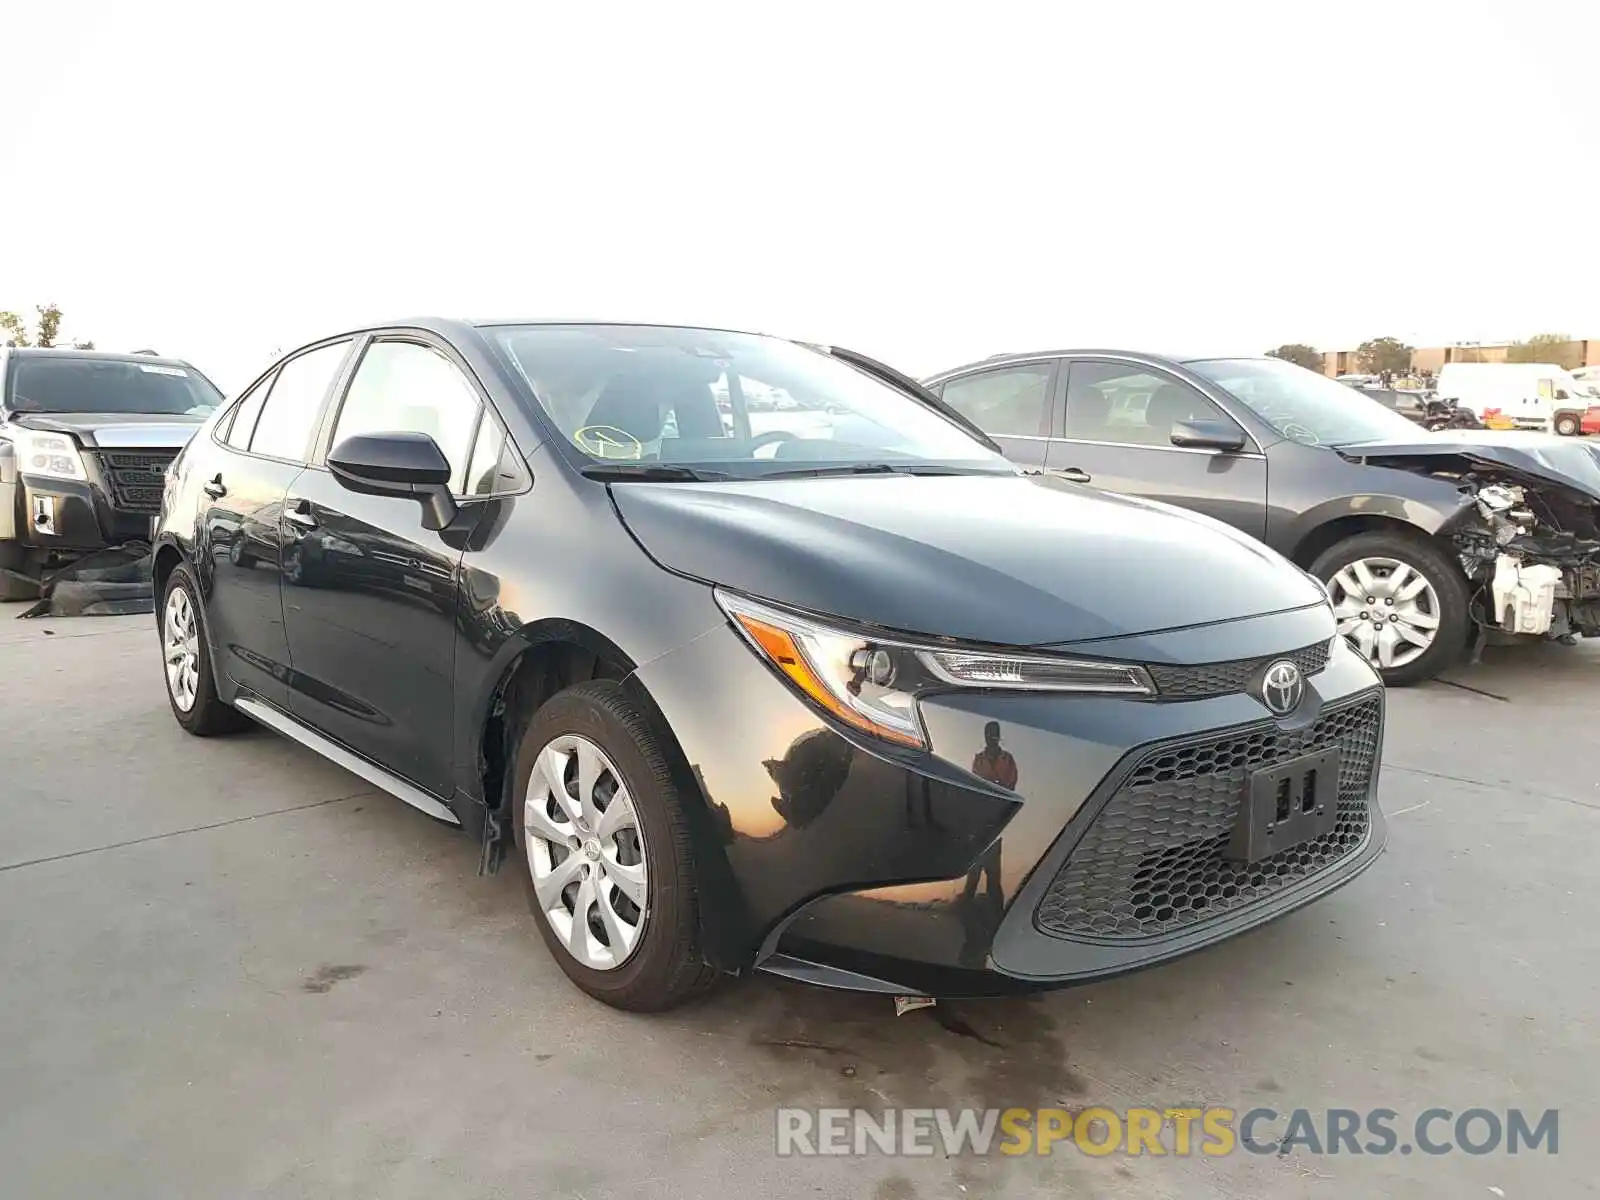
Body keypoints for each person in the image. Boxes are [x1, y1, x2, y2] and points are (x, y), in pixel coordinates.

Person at [971, 721, 1018, 790]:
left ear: (998, 737)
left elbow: (1011, 783)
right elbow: (975, 782)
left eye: (993, 735)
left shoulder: (1008, 759)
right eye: (987, 735)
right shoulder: (979, 759)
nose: (990, 739)